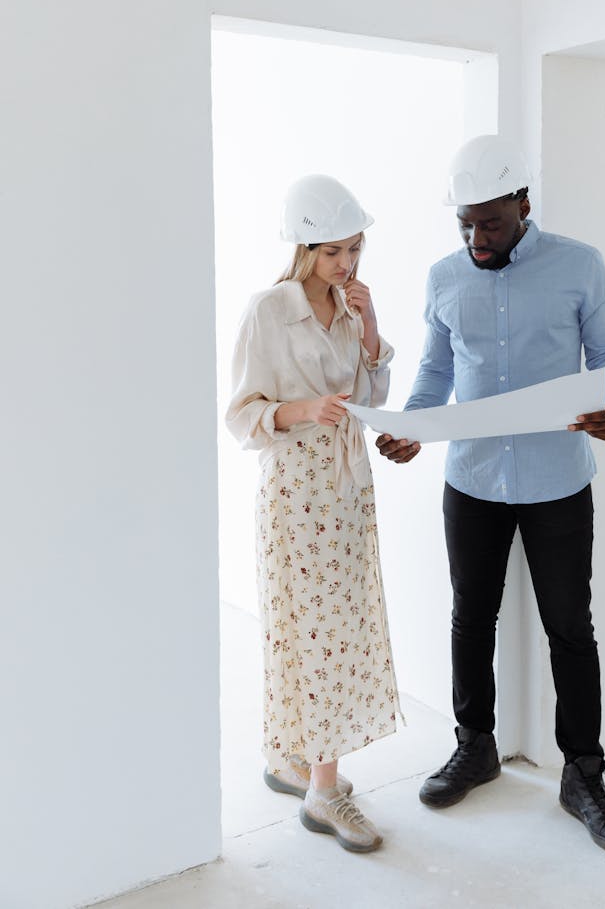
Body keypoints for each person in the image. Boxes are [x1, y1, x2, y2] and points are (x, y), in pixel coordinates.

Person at [376, 135, 605, 855]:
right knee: (471, 617)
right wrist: (413, 427)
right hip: (474, 481)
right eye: (465, 222)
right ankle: (475, 745)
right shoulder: (443, 277)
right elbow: (434, 370)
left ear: (524, 204)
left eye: (490, 221)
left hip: (558, 479)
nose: (475, 237)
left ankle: (583, 773)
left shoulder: (578, 265)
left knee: (570, 627)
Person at [226, 174, 401, 854]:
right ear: (304, 248)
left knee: (338, 626)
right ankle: (323, 790)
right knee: (307, 628)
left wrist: (373, 326)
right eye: (333, 252)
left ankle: (291, 757)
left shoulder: (352, 307)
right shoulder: (269, 309)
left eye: (354, 249)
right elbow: (241, 416)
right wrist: (305, 410)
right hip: (297, 495)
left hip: (349, 489)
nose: (347, 264)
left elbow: (372, 394)